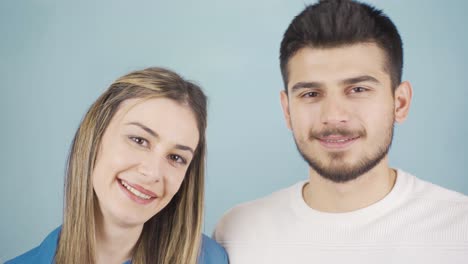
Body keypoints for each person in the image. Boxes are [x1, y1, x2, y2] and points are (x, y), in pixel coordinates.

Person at [213, 0, 468, 263]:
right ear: (287, 110)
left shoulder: (460, 231)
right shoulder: (237, 233)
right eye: (311, 94)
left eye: (358, 90)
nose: (333, 116)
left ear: (400, 103)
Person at [7, 67, 228, 264]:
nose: (152, 173)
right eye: (139, 140)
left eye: (176, 158)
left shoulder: (211, 259)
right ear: (94, 138)